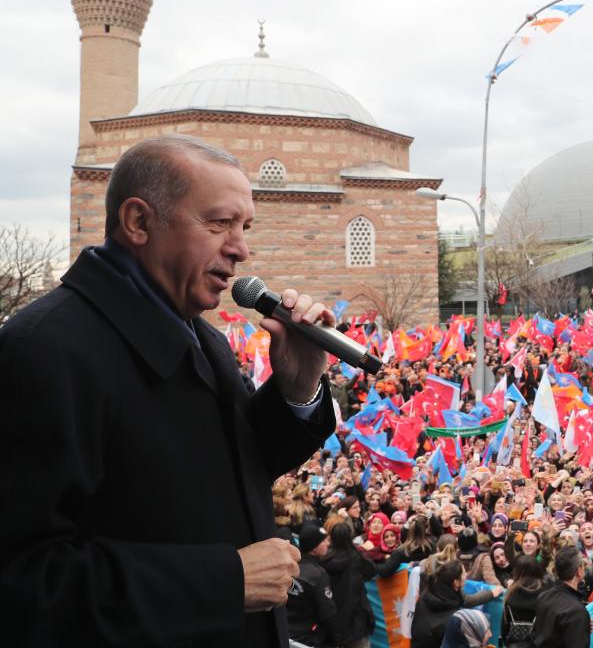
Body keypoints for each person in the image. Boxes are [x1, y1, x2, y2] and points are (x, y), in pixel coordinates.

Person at [0, 135, 338, 646]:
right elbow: (24, 580)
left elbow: (223, 471)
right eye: (219, 223)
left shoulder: (201, 335)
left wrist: (297, 387)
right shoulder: (46, 351)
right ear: (138, 222)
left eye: (245, 227)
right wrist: (223, 581)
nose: (241, 249)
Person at [411, 560, 500, 648]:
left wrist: (490, 594)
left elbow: (466, 600)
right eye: (464, 573)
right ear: (456, 582)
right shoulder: (451, 618)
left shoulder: (430, 592)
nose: (467, 575)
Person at [319, 520, 376, 648]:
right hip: (356, 621)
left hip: (334, 620)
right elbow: (371, 571)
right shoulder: (356, 558)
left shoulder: (324, 559)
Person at [287, 523, 338, 647]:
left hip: (289, 637)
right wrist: (336, 641)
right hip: (310, 639)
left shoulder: (291, 567)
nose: (328, 544)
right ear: (314, 548)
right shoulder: (318, 575)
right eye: (323, 541)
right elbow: (328, 614)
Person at [532, 546, 593, 648]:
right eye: (583, 565)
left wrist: (582, 627)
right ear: (578, 571)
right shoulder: (576, 611)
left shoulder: (544, 596)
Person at [502, 555, 546, 648]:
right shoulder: (545, 595)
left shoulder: (510, 595)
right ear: (538, 570)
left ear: (517, 572)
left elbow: (504, 628)